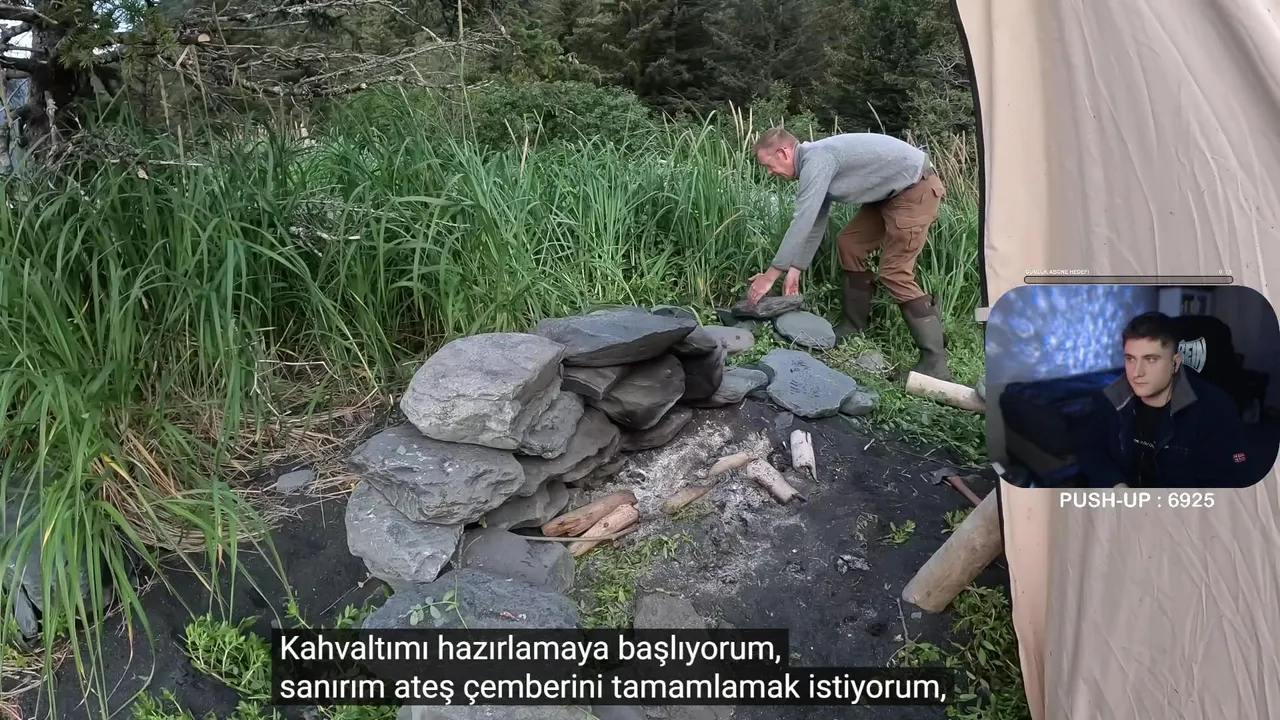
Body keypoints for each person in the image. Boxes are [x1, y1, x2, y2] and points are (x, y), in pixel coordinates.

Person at [747, 128, 952, 381]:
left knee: (895, 272)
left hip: (915, 189)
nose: (770, 173)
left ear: (783, 152)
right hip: (889, 193)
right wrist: (796, 269)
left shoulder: (817, 160)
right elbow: (815, 221)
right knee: (850, 244)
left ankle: (935, 362)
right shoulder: (813, 161)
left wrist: (770, 276)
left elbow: (801, 222)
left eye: (769, 165)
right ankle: (853, 328)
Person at [1074, 311, 1253, 489]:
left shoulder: (1215, 409)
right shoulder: (1113, 397)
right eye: (1130, 359)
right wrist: (1116, 485)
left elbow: (1225, 485)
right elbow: (1091, 448)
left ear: (1175, 363)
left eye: (1151, 359)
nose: (1137, 372)